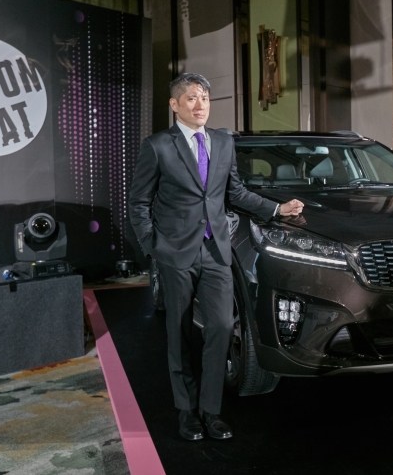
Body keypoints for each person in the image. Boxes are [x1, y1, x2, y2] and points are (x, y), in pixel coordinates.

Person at [129, 73, 303, 440]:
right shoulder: (158, 146)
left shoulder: (223, 141)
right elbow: (139, 202)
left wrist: (277, 209)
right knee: (179, 334)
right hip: (175, 253)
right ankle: (187, 412)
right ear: (175, 105)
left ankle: (211, 411)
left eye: (205, 98)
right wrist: (154, 247)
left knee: (222, 327)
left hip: (216, 250)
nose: (200, 105)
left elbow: (234, 193)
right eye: (191, 98)